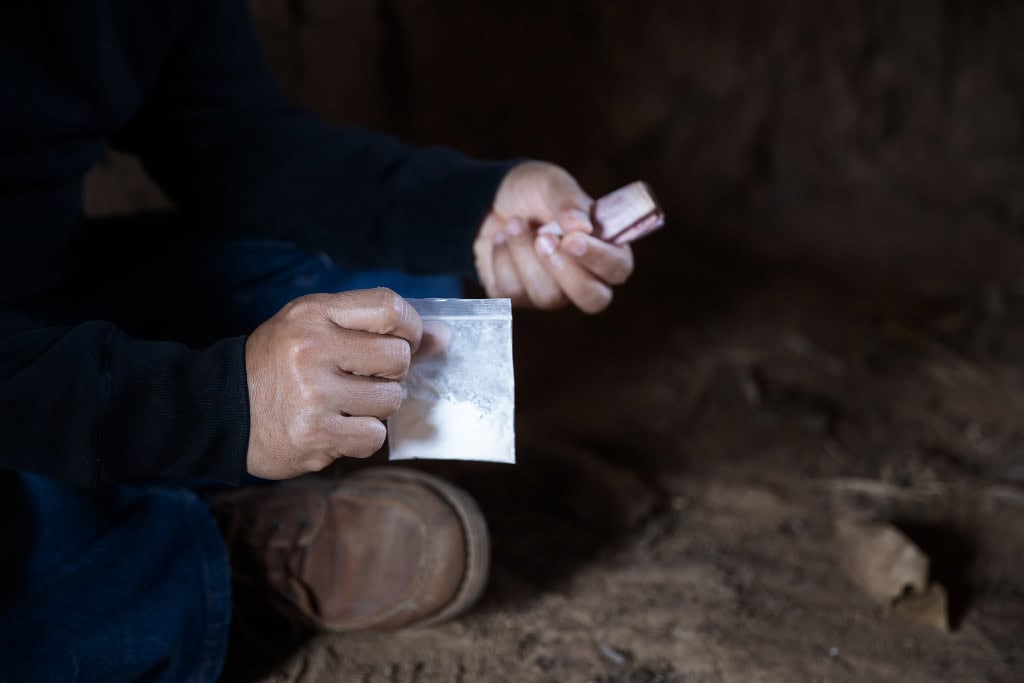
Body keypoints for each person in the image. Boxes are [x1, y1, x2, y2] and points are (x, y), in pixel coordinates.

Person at [0, 1, 636, 681]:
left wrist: (472, 210)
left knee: (401, 295)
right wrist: (221, 406)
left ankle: (157, 498)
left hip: (39, 296)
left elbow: (234, 142)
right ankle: (208, 566)